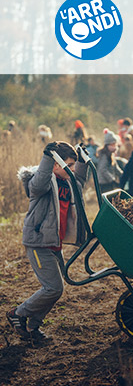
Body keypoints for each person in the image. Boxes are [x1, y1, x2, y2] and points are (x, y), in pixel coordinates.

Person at [7, 141, 87, 341]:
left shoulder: (68, 182)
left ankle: (33, 327)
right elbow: (40, 181)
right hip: (38, 242)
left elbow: (80, 181)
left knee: (55, 290)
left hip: (54, 242)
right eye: (68, 164)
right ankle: (18, 314)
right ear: (55, 165)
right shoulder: (40, 184)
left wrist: (83, 160)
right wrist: (47, 157)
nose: (72, 168)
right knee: (53, 288)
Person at [97, 129, 123, 193]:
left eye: (115, 144)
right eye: (112, 144)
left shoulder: (111, 154)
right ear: (107, 145)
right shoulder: (104, 156)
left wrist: (123, 175)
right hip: (104, 183)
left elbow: (116, 167)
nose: (114, 146)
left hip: (108, 183)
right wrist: (112, 180)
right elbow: (103, 170)